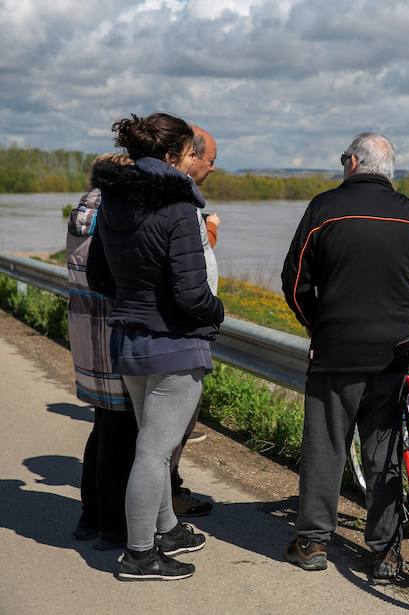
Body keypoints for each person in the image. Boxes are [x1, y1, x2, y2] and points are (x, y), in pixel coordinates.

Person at [281, 133, 409, 581]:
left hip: (335, 351)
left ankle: (313, 542)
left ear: (355, 164)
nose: (343, 164)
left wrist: (316, 323)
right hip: (392, 354)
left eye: (344, 158)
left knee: (326, 446)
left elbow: (294, 278)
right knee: (384, 449)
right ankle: (384, 554)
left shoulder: (323, 209)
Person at [87, 112, 224, 581]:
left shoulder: (112, 201)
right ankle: (140, 554)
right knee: (154, 452)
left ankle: (165, 529)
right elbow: (190, 293)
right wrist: (217, 311)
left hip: (129, 342)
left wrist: (137, 301)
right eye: (190, 153)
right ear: (171, 157)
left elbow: (98, 276)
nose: (193, 161)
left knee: (152, 442)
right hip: (175, 345)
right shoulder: (179, 208)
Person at [68, 154, 138, 551]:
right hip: (113, 328)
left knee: (103, 425)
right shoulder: (114, 211)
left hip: (85, 328)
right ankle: (112, 526)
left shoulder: (83, 208)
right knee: (120, 432)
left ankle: (90, 514)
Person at [168, 125, 220, 518]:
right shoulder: (177, 204)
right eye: (210, 160)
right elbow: (186, 282)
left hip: (182, 332)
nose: (212, 168)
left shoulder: (177, 201)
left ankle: (165, 495)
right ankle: (157, 521)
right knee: (164, 434)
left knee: (164, 432)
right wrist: (213, 310)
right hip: (180, 335)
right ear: (188, 156)